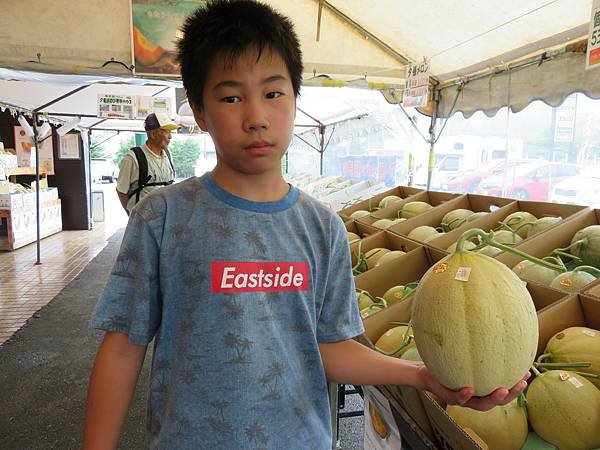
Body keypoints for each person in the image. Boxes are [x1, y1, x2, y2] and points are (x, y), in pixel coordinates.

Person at [83, 1, 529, 449]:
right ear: (200, 111)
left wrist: (423, 376)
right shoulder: (163, 217)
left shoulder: (322, 228)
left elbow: (330, 348)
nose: (256, 116)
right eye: (231, 97)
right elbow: (123, 348)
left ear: (295, 100)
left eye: (273, 93)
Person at [115, 112, 180, 214]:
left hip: (166, 218)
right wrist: (132, 215)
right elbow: (121, 190)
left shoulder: (168, 155)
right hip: (143, 222)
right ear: (153, 134)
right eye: (166, 132)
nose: (170, 136)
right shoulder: (132, 159)